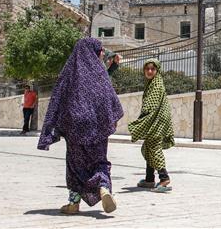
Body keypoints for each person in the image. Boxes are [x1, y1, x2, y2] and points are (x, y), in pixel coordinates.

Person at [38, 38, 124, 215]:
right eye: (100, 50)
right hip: (98, 126)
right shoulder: (100, 74)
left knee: (75, 165)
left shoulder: (70, 72)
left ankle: (73, 203)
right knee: (100, 161)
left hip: (75, 126)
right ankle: (103, 188)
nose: (101, 53)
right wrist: (112, 118)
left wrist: (54, 128)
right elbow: (110, 98)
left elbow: (57, 98)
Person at [129, 59, 175, 193]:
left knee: (153, 147)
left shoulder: (156, 84)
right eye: (147, 69)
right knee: (148, 146)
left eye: (152, 69)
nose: (149, 71)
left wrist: (140, 122)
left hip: (158, 120)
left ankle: (164, 177)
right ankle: (149, 179)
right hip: (157, 119)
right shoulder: (151, 83)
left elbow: (151, 106)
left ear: (157, 70)